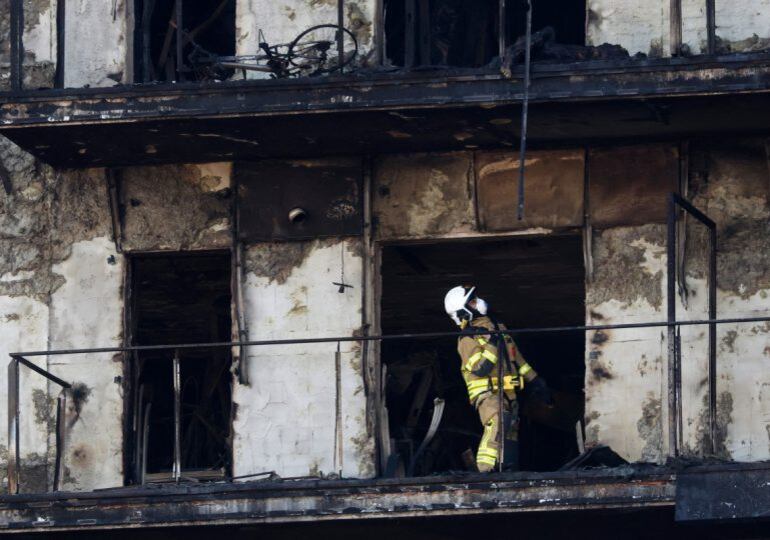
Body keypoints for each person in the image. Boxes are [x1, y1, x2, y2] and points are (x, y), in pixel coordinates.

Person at [444, 285, 551, 472]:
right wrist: (492, 344)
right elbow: (480, 368)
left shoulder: (498, 329)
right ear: (463, 311)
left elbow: (517, 358)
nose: (478, 302)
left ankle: (507, 468)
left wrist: (535, 380)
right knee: (497, 421)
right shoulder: (467, 339)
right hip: (486, 392)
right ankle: (485, 470)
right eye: (472, 301)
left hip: (508, 391)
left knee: (510, 430)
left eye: (475, 299)